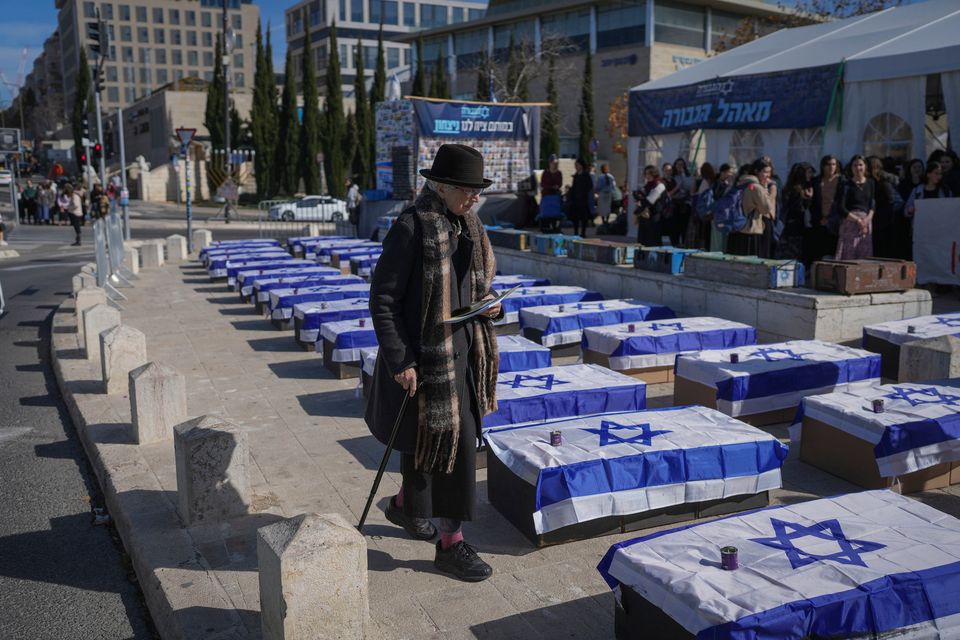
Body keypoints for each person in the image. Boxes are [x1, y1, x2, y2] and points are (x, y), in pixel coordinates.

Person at [366, 143, 501, 583]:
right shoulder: (410, 228)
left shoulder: (470, 226)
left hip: (461, 355)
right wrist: (400, 360)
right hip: (424, 363)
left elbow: (475, 289)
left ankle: (407, 506)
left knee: (439, 448)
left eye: (478, 189)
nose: (475, 197)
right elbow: (383, 300)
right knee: (444, 450)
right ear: (440, 186)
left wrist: (490, 307)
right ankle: (451, 545)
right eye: (467, 189)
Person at [727, 158, 775, 257]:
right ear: (756, 171)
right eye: (765, 172)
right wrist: (766, 188)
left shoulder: (741, 182)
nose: (768, 175)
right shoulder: (756, 187)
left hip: (736, 229)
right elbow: (766, 208)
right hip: (750, 231)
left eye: (769, 172)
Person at [835, 155, 875, 260]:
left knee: (864, 254)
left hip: (866, 223)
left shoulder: (870, 183)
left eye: (860, 165)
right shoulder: (845, 184)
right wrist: (857, 220)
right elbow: (841, 208)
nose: (858, 168)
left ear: (865, 166)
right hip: (850, 221)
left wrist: (867, 220)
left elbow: (872, 204)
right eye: (855, 165)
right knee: (849, 255)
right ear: (851, 167)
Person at [867, 156, 902, 259]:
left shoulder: (883, 183)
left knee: (882, 252)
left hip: (883, 223)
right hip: (877, 222)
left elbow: (891, 203)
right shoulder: (872, 183)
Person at [810, 155, 842, 262]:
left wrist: (831, 218)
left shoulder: (841, 181)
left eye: (833, 164)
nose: (831, 167)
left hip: (836, 220)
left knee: (834, 251)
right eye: (828, 164)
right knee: (819, 250)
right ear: (823, 166)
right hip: (819, 219)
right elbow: (814, 202)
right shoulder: (816, 181)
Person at [782, 163, 814, 263]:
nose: (811, 175)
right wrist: (808, 199)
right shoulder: (797, 190)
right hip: (796, 227)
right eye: (808, 173)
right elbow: (799, 209)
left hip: (792, 226)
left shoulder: (791, 187)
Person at [632, 164, 669, 246]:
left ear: (655, 174)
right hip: (644, 216)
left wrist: (639, 199)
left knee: (654, 241)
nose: (647, 176)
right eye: (646, 174)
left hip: (654, 217)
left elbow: (649, 200)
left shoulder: (660, 185)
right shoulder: (647, 185)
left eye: (650, 173)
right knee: (642, 241)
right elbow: (641, 198)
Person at [567, 158, 593, 238]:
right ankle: (575, 232)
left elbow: (590, 186)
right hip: (575, 199)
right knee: (576, 217)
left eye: (577, 165)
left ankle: (583, 232)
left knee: (583, 217)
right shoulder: (576, 176)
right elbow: (574, 186)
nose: (576, 166)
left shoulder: (586, 175)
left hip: (583, 199)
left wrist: (584, 192)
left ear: (581, 165)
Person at [538, 154, 564, 233]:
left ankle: (556, 227)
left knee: (556, 213)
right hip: (547, 195)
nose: (554, 165)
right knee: (546, 213)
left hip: (555, 196)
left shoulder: (559, 173)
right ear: (549, 163)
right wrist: (551, 187)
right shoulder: (545, 173)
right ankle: (545, 227)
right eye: (553, 163)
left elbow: (559, 183)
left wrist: (555, 187)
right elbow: (543, 184)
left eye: (556, 163)